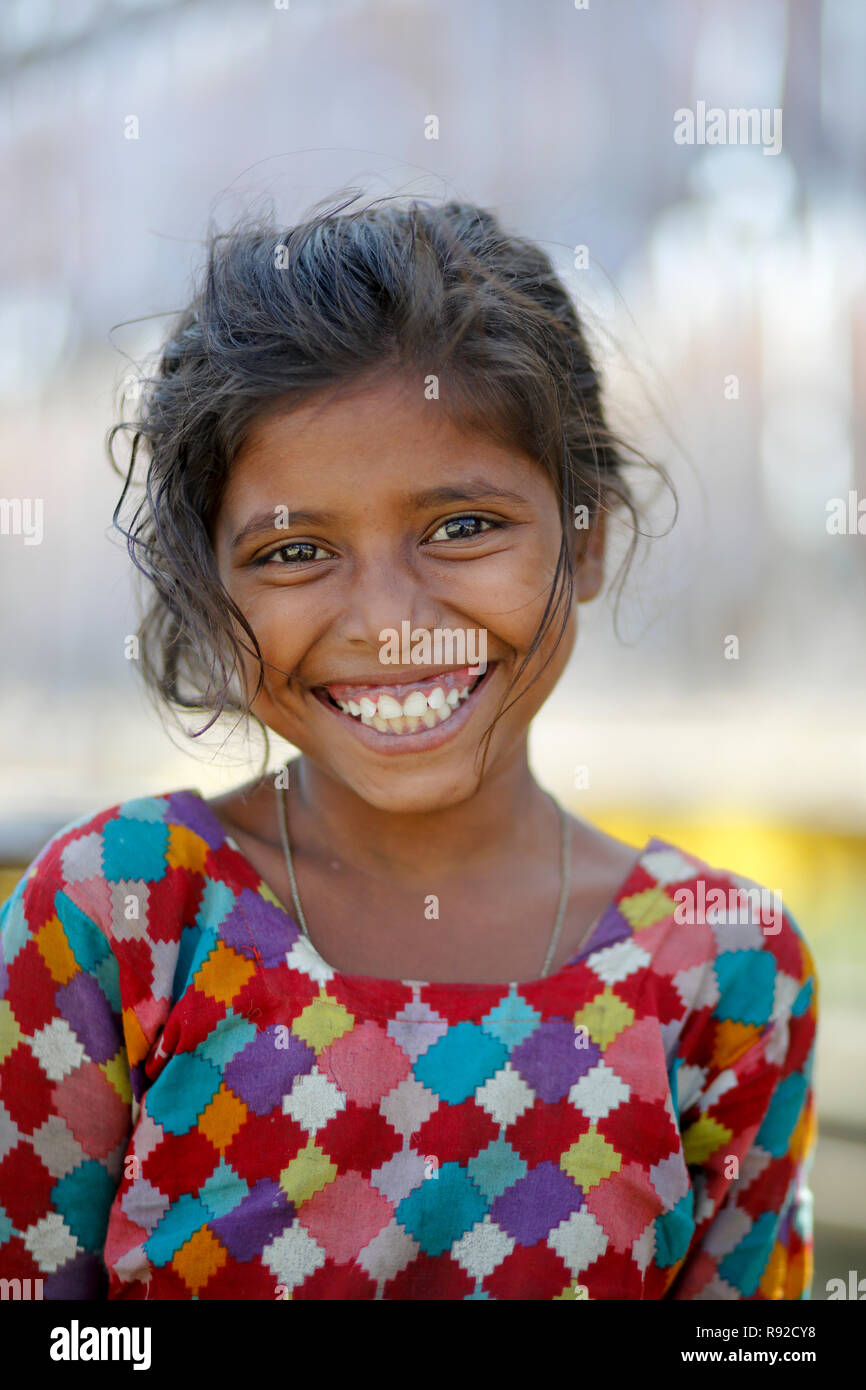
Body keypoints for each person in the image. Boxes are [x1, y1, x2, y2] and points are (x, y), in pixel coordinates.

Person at [0, 195, 817, 1300]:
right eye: (294, 549)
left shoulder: (723, 967)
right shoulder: (117, 913)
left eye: (462, 527)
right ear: (209, 587)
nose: (389, 619)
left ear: (585, 539)